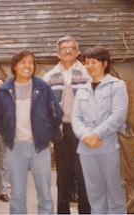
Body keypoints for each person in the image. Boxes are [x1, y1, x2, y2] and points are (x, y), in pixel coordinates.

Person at [0, 50, 63, 214]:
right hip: (15, 148)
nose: (27, 65)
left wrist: (48, 134)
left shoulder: (43, 87)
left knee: (45, 193)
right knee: (17, 194)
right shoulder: (4, 90)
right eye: (23, 62)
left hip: (40, 148)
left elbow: (56, 113)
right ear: (15, 66)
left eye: (30, 62)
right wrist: (8, 135)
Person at [71, 45, 128, 214]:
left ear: (104, 63)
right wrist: (86, 135)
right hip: (86, 149)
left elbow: (118, 116)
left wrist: (96, 134)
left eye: (93, 62)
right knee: (94, 195)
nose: (89, 66)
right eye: (86, 62)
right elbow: (75, 118)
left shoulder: (117, 86)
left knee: (115, 192)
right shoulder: (82, 89)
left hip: (110, 146)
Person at [43, 35, 91, 214]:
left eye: (71, 48)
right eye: (64, 48)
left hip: (82, 131)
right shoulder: (49, 76)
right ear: (58, 54)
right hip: (61, 131)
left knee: (83, 176)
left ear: (77, 52)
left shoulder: (87, 73)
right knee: (62, 177)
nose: (68, 51)